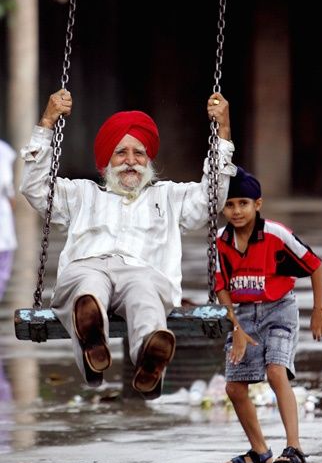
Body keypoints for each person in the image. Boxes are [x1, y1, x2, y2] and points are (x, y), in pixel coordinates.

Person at [20, 89, 236, 399]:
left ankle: (151, 357)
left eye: (138, 153)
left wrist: (223, 132)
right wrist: (46, 123)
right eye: (121, 153)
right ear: (106, 160)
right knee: (87, 287)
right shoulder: (81, 194)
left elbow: (212, 197)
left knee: (145, 293)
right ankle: (92, 341)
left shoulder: (169, 197)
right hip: (89, 268)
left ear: (149, 159)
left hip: (144, 272)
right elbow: (35, 188)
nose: (130, 162)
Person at [215, 167, 322, 463]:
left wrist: (319, 309)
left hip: (279, 309)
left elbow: (315, 265)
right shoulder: (219, 241)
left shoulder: (276, 234)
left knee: (276, 371)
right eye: (230, 204)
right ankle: (260, 452)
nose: (236, 211)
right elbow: (221, 287)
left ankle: (294, 449)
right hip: (243, 316)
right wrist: (236, 328)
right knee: (234, 388)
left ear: (258, 204)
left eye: (243, 203)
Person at [0, 139, 17, 302]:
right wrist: (12, 198)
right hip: (2, 212)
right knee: (3, 266)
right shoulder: (3, 150)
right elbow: (5, 181)